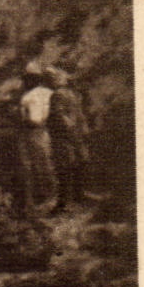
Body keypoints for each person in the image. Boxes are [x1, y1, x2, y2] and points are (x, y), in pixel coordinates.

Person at [47, 66, 92, 211]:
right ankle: (78, 196)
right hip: (76, 134)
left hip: (64, 135)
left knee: (64, 168)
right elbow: (80, 115)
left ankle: (63, 202)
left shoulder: (57, 95)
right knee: (76, 165)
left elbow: (60, 116)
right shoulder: (73, 94)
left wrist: (68, 130)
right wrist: (82, 132)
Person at [18, 64, 58, 215]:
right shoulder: (50, 92)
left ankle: (38, 203)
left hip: (33, 133)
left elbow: (34, 120)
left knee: (33, 168)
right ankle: (52, 199)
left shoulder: (29, 97)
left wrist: (20, 120)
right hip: (49, 132)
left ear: (29, 79)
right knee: (49, 164)